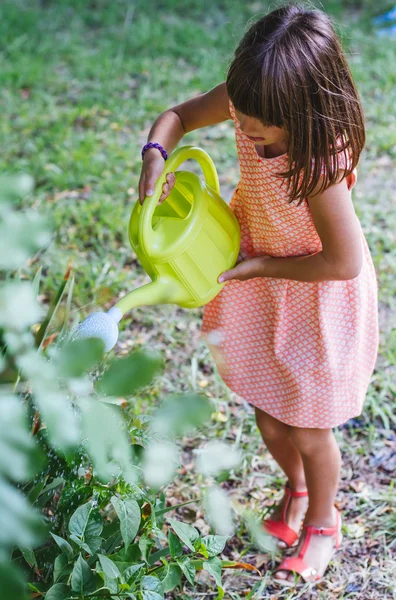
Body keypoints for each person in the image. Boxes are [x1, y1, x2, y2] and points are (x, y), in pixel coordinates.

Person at [137, 3, 379, 585]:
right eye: (239, 114)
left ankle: (323, 519)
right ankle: (295, 493)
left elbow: (341, 261)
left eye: (255, 124)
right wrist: (154, 155)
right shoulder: (256, 98)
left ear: (301, 111)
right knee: (270, 416)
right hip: (260, 279)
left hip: (314, 294)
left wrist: (263, 265)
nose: (242, 128)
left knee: (308, 428)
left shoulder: (316, 163)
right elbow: (176, 116)